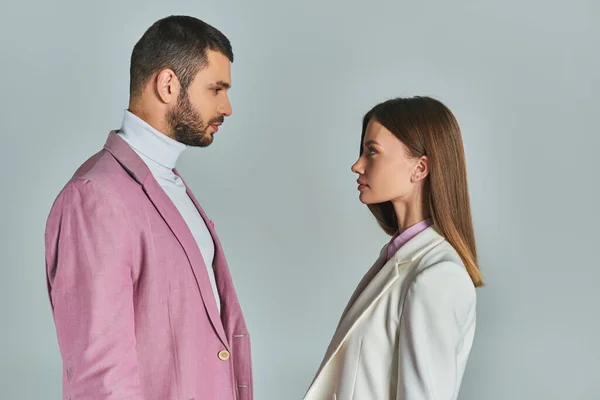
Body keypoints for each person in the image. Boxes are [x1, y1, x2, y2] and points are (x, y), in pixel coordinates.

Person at [44, 15, 253, 400]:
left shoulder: (170, 184)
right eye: (216, 88)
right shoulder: (95, 197)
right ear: (169, 84)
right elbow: (100, 378)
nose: (227, 106)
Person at [303, 96, 484, 400]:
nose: (357, 165)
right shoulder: (396, 260)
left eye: (372, 151)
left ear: (420, 167)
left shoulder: (437, 277)